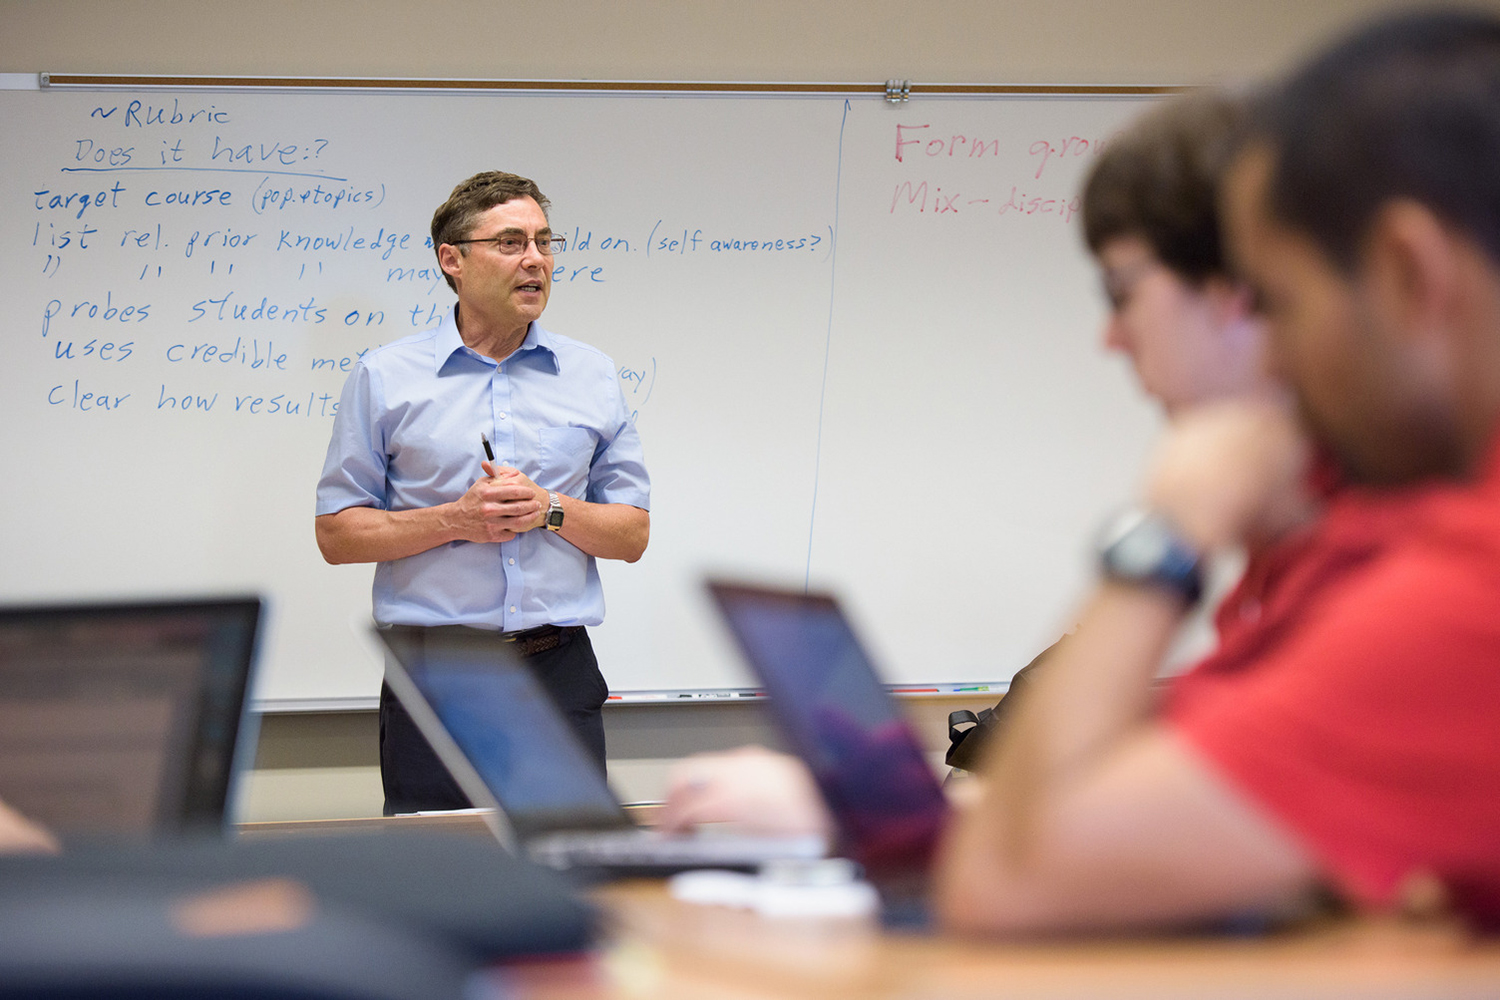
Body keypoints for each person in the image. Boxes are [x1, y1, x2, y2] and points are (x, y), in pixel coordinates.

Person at [936, 8, 1500, 933]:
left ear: (1409, 275)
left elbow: (1012, 875)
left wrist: (1161, 535)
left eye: (1278, 301)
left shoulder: (1467, 573)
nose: (1278, 357)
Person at [664, 88, 1325, 836]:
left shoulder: (1407, 557)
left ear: (1234, 294)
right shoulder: (1289, 558)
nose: (1111, 337)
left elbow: (1040, 872)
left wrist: (1165, 537)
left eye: (1122, 293)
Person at [316, 171, 651, 814]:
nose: (535, 260)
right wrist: (455, 519)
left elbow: (631, 534)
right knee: (437, 879)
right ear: (453, 260)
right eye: (510, 242)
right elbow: (337, 533)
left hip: (559, 670)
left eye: (545, 243)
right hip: (438, 674)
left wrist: (551, 509)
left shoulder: (592, 375)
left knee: (567, 878)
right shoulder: (384, 377)